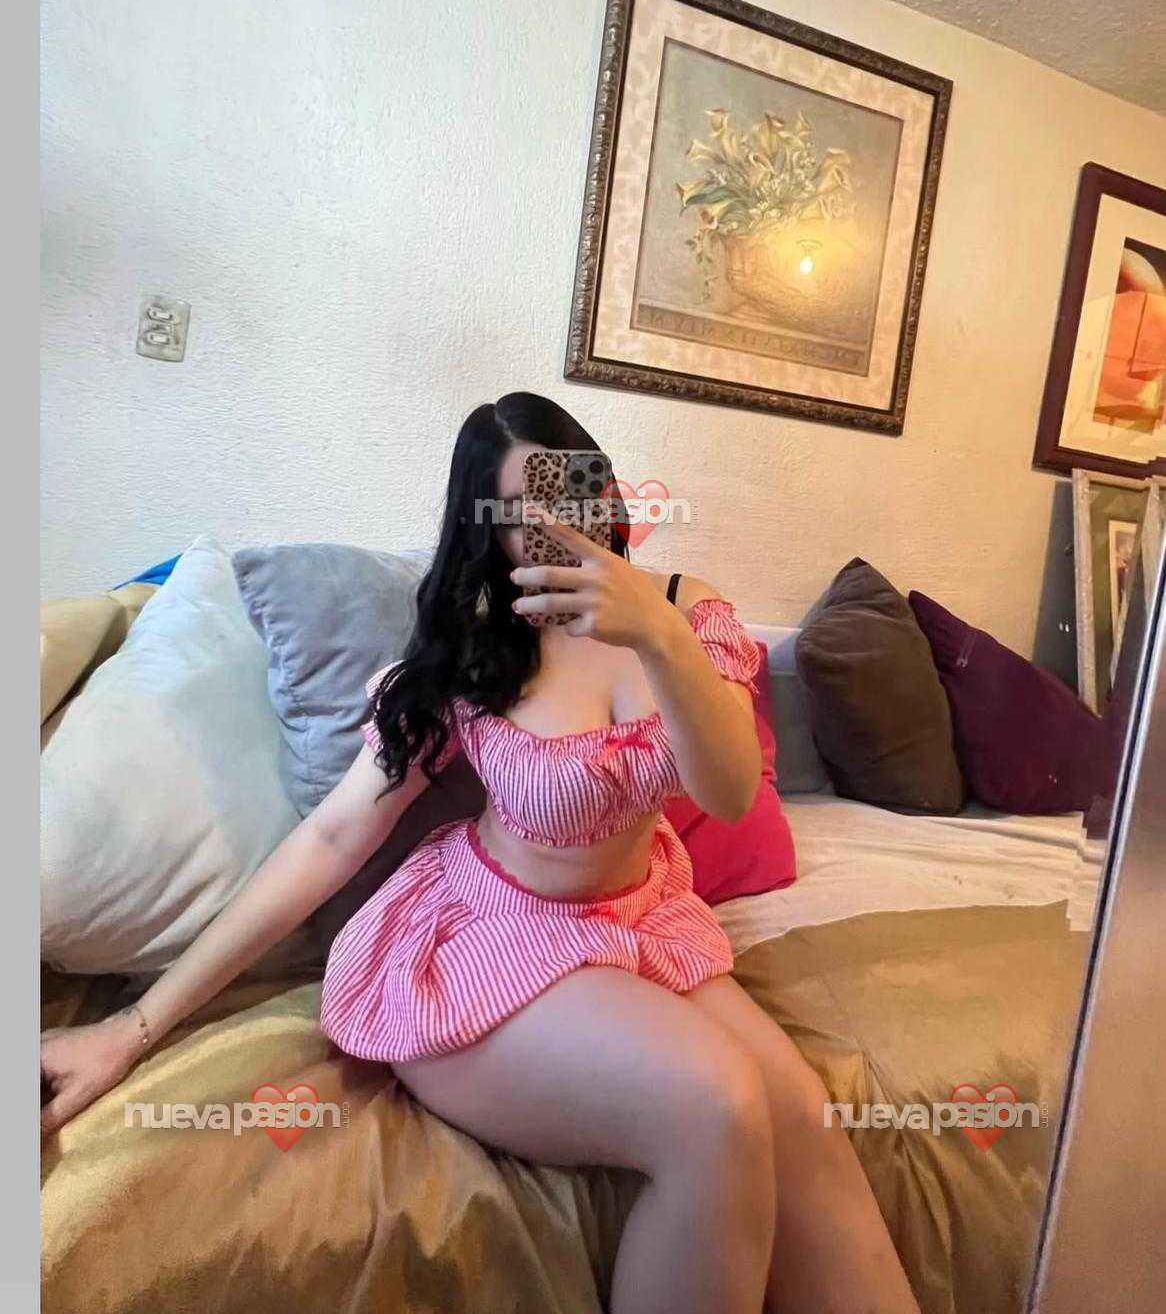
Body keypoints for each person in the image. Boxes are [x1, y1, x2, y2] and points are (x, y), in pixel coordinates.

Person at [41, 392, 919, 1314]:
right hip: (492, 941)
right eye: (527, 517)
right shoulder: (477, 651)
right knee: (718, 1106)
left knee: (801, 1116)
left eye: (576, 493)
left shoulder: (684, 614)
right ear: (490, 534)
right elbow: (334, 836)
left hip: (644, 926)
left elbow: (729, 792)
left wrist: (658, 637)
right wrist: (134, 1027)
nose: (564, 530)